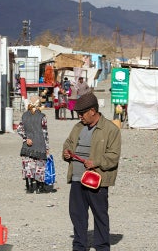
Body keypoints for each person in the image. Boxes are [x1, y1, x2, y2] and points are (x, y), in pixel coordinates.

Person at [62, 92, 121, 251]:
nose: (79, 116)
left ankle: (102, 246)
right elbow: (68, 142)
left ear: (93, 111)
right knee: (77, 215)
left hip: (97, 180)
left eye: (82, 113)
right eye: (78, 113)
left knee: (100, 215)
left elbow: (113, 157)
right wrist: (66, 152)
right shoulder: (78, 127)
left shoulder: (110, 130)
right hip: (76, 178)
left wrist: (95, 162)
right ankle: (79, 246)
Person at [16, 95, 50, 193]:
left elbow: (19, 129)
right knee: (39, 167)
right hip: (40, 144)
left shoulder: (24, 115)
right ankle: (40, 187)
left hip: (27, 145)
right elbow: (45, 133)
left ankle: (29, 187)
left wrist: (26, 138)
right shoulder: (42, 117)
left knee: (28, 166)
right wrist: (47, 147)